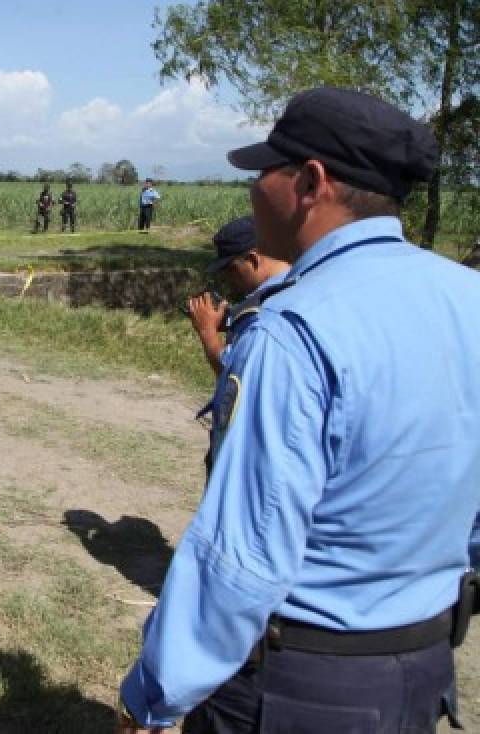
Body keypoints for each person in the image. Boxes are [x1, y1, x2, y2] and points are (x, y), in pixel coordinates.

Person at [117, 87, 480, 733]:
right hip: (421, 669)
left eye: (262, 173)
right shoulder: (467, 297)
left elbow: (244, 555)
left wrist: (153, 694)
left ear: (309, 183)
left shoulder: (292, 329)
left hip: (298, 683)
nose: (254, 192)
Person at [185, 216, 289, 377]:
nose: (228, 278)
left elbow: (236, 379)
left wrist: (207, 330)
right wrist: (232, 322)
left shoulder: (267, 313)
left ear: (253, 259)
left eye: (231, 269)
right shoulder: (299, 285)